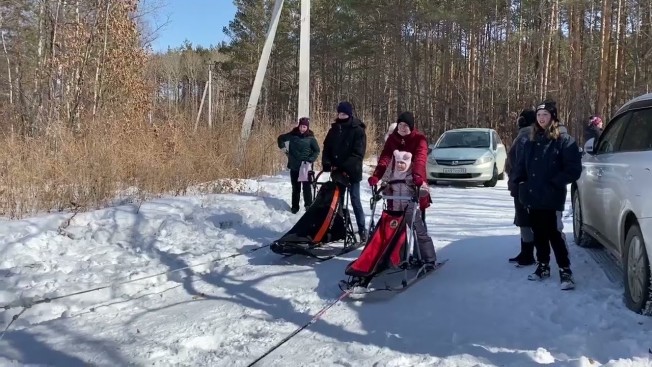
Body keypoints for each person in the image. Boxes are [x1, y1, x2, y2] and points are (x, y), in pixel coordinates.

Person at [509, 100, 583, 290]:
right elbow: (520, 167)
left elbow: (573, 169)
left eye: (545, 115)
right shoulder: (530, 140)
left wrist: (555, 182)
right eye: (539, 115)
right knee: (538, 233)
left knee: (553, 234)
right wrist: (519, 183)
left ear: (553, 117)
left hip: (551, 195)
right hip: (533, 195)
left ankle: (565, 270)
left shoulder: (564, 140)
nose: (542, 119)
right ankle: (543, 266)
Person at [368, 111, 436, 266]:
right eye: (400, 125)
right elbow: (385, 158)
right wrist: (377, 176)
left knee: (416, 223)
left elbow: (420, 158)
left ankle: (427, 257)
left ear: (411, 127)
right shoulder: (393, 139)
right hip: (394, 187)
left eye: (406, 126)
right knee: (395, 223)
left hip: (414, 186)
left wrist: (418, 176)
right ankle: (399, 255)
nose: (403, 128)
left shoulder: (419, 139)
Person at [379, 150, 437, 267]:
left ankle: (428, 258)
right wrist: (384, 189)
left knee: (419, 232)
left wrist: (420, 188)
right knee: (395, 234)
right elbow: (386, 188)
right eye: (398, 163)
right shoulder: (392, 175)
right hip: (395, 210)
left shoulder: (412, 175)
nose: (400, 165)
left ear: (408, 163)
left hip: (410, 208)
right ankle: (398, 256)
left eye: (403, 163)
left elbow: (425, 190)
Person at [322, 101, 368, 242]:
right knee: (337, 201)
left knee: (355, 200)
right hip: (337, 172)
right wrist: (327, 163)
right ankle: (339, 228)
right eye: (340, 113)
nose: (341, 116)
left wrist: (345, 167)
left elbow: (358, 153)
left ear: (349, 114)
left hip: (352, 172)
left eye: (344, 113)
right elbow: (326, 148)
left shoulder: (358, 130)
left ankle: (362, 230)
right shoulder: (334, 129)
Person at [383, 122, 432, 227]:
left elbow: (420, 161)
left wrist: (417, 178)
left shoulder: (414, 143)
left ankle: (417, 232)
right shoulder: (390, 149)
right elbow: (386, 167)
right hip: (395, 188)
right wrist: (385, 182)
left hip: (412, 183)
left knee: (415, 214)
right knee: (394, 212)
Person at [505, 109, 537, 266]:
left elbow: (519, 162)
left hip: (523, 184)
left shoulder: (525, 136)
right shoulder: (528, 134)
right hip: (525, 184)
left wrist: (516, 177)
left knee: (525, 219)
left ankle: (528, 254)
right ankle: (526, 252)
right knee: (525, 219)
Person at [277, 117, 320, 213]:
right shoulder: (292, 135)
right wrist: (284, 149)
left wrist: (311, 159)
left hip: (305, 167)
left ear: (307, 127)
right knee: (296, 188)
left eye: (304, 127)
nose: (302, 129)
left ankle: (308, 205)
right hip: (294, 166)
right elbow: (280, 139)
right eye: (301, 126)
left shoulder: (311, 138)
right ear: (299, 126)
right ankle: (295, 207)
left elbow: (317, 150)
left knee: (306, 188)